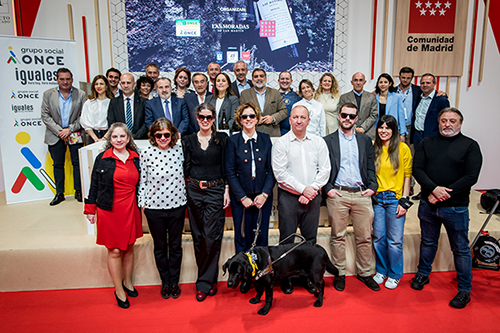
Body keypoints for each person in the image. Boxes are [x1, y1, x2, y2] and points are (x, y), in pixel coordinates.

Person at [411, 107, 482, 309]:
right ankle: (423, 274)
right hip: (428, 203)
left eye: (452, 121)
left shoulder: (470, 146)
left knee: (460, 249)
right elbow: (418, 169)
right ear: (439, 122)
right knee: (427, 242)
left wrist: (443, 194)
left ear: (460, 123)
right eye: (444, 120)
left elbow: (471, 177)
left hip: (456, 207)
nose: (447, 124)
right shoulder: (426, 143)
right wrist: (433, 189)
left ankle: (464, 289)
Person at [272, 104, 331, 294]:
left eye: (302, 117)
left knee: (309, 242)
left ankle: (308, 278)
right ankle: (286, 278)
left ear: (308, 121)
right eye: (295, 117)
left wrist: (311, 190)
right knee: (287, 242)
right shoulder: (281, 143)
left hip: (313, 197)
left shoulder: (318, 142)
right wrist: (303, 190)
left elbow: (325, 169)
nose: (298, 121)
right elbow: (280, 174)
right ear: (289, 120)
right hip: (289, 198)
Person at [84, 122, 143, 309]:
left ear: (128, 138)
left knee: (129, 247)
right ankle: (118, 290)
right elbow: (94, 184)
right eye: (115, 137)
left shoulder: (136, 158)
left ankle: (128, 283)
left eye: (122, 136)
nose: (118, 140)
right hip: (109, 209)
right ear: (110, 139)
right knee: (115, 250)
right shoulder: (103, 158)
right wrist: (89, 209)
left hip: (130, 208)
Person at [323, 102, 379, 291]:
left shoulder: (365, 141)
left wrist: (373, 186)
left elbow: (371, 167)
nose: (347, 119)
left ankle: (364, 273)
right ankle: (339, 273)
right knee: (337, 236)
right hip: (337, 194)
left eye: (351, 116)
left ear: (356, 119)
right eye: (344, 115)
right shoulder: (327, 140)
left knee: (364, 237)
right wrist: (328, 188)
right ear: (339, 116)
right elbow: (322, 168)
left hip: (362, 194)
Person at [182, 102, 230, 302]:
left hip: (215, 190)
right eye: (201, 117)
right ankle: (208, 280)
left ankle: (203, 283)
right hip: (193, 190)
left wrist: (226, 189)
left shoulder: (222, 139)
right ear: (196, 118)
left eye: (208, 117)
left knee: (212, 236)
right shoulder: (188, 140)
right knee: (199, 236)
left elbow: (227, 166)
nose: (204, 121)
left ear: (213, 119)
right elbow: (185, 167)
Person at [138, 118, 186, 300]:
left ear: (172, 134)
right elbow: (142, 180)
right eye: (159, 135)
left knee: (175, 247)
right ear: (153, 136)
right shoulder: (146, 152)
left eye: (167, 134)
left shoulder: (179, 150)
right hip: (154, 208)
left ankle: (175, 281)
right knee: (160, 247)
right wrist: (142, 201)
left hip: (177, 205)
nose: (163, 138)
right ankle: (165, 282)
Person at [225, 102, 275, 254]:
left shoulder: (266, 139)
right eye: (244, 116)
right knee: (242, 237)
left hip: (262, 197)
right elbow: (230, 171)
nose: (248, 119)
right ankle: (244, 273)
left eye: (252, 116)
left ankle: (261, 273)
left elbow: (272, 169)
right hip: (241, 199)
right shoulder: (233, 141)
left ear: (257, 118)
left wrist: (265, 193)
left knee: (261, 235)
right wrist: (242, 197)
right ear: (239, 120)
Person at [371, 115, 412, 290]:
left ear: (394, 130)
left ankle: (395, 274)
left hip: (395, 198)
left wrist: (404, 199)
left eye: (388, 128)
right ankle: (381, 270)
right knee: (379, 238)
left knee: (394, 240)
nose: (384, 131)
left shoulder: (402, 148)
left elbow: (407, 175)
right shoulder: (373, 148)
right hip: (377, 199)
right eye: (381, 127)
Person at [41, 67, 87, 206]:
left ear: (72, 79)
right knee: (58, 164)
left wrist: (70, 129)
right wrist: (60, 131)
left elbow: (83, 116)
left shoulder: (81, 94)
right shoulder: (48, 94)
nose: (65, 82)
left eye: (68, 79)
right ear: (57, 80)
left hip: (75, 134)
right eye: (62, 79)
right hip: (55, 135)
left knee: (77, 163)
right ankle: (59, 193)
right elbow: (45, 115)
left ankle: (79, 191)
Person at [239, 68, 288, 137]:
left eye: (261, 76)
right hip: (252, 134)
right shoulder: (245, 94)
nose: (259, 78)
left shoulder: (275, 93)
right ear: (252, 81)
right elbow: (240, 114)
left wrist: (273, 118)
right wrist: (254, 120)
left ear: (266, 79)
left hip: (272, 134)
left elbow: (284, 111)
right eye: (256, 77)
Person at [411, 73, 450, 149]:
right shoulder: (418, 97)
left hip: (432, 136)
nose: (425, 85)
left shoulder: (441, 99)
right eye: (422, 83)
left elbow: (446, 120)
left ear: (434, 84)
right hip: (417, 136)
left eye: (428, 83)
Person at [107, 73, 148, 139]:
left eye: (128, 83)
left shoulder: (144, 102)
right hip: (120, 140)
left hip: (140, 139)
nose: (126, 86)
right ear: (120, 84)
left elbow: (146, 123)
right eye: (123, 83)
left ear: (134, 84)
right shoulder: (114, 102)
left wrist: (134, 137)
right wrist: (123, 137)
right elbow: (111, 123)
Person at [338, 72, 378, 140]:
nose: (358, 83)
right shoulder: (344, 97)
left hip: (368, 132)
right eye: (355, 80)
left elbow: (373, 115)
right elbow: (341, 115)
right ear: (352, 82)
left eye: (361, 80)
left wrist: (362, 127)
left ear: (364, 82)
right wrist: (355, 128)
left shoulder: (371, 97)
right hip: (349, 132)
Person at [80, 75, 114, 144]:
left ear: (106, 86)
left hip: (109, 134)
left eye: (101, 84)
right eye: (96, 84)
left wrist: (104, 138)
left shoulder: (112, 102)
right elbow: (85, 122)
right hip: (93, 135)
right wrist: (95, 139)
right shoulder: (89, 103)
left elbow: (114, 123)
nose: (99, 86)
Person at [375, 73, 407, 141]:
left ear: (390, 83)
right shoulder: (374, 98)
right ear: (378, 84)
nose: (383, 84)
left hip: (392, 130)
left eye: (385, 82)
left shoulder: (397, 97)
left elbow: (401, 116)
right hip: (379, 131)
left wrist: (402, 133)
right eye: (381, 82)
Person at [277, 71, 301, 135]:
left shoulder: (297, 96)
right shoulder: (273, 95)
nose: (285, 81)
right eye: (282, 79)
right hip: (276, 132)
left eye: (287, 79)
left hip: (293, 132)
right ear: (278, 81)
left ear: (291, 81)